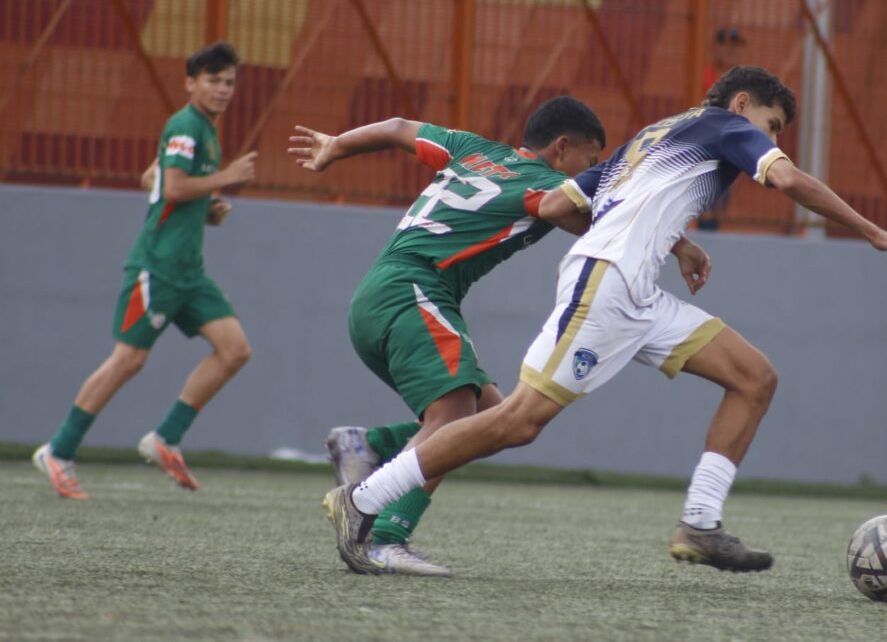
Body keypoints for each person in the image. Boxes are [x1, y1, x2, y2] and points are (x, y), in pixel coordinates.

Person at [325, 66, 887, 575]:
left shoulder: (650, 137)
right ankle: (366, 499)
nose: (771, 138)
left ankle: (700, 524)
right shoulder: (725, 125)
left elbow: (557, 203)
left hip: (636, 290)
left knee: (754, 378)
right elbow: (787, 179)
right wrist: (873, 231)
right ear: (741, 104)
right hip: (606, 282)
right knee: (517, 422)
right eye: (772, 124)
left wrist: (669, 239)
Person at [287, 96, 605, 576]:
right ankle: (384, 536)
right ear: (562, 148)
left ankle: (369, 445)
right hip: (414, 292)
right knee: (454, 419)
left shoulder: (473, 150)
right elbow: (591, 221)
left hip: (380, 292)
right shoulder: (547, 186)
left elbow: (397, 125)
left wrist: (337, 146)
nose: (590, 171)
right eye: (591, 160)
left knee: (494, 420)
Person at [33, 42, 258, 500]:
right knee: (128, 361)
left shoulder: (205, 130)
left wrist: (205, 209)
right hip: (157, 267)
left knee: (234, 350)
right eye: (213, 80)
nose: (222, 89)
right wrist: (226, 177)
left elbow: (150, 178)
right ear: (190, 83)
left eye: (229, 82)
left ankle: (165, 438)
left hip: (189, 272)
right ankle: (58, 450)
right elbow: (171, 187)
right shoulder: (185, 125)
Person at [698, 30, 747, 230]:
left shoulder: (742, 82)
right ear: (715, 48)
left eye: (735, 45)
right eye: (726, 45)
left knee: (718, 206)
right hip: (705, 148)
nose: (731, 50)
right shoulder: (704, 76)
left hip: (728, 151)